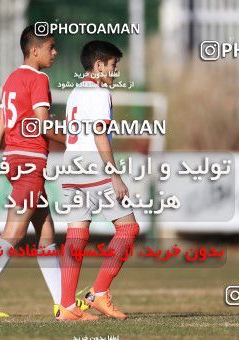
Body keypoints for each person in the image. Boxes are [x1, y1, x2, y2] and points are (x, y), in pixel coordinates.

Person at [0, 25, 87, 318]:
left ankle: (63, 303)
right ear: (35, 50)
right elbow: (43, 126)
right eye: (51, 47)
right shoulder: (39, 79)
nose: (55, 53)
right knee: (14, 232)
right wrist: (75, 140)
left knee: (46, 234)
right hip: (30, 162)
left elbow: (0, 128)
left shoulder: (11, 80)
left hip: (17, 161)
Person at [56, 40, 140, 321]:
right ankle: (99, 293)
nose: (115, 72)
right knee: (128, 229)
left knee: (76, 237)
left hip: (71, 163)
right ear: (99, 64)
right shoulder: (100, 92)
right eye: (113, 66)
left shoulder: (76, 93)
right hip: (94, 164)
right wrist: (114, 175)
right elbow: (99, 134)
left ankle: (67, 307)